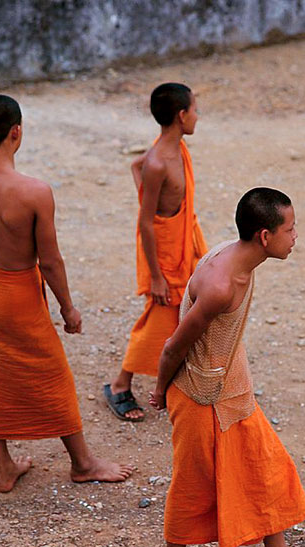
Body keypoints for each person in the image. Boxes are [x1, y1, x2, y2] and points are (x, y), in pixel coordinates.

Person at [0, 94, 135, 492]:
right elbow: (51, 261)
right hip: (21, 295)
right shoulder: (35, 192)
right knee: (52, 374)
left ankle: (4, 467)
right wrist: (68, 309)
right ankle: (82, 463)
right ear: (17, 132)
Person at [148, 188, 305, 547]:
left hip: (231, 387)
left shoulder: (238, 255)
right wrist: (161, 391)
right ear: (265, 237)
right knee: (192, 480)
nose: (296, 236)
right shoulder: (222, 284)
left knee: (264, 464)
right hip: (199, 394)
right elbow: (172, 347)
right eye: (290, 229)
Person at [103, 82, 208, 422]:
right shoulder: (160, 161)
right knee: (160, 317)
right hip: (164, 255)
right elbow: (146, 223)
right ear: (181, 115)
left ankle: (184, 376)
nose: (197, 116)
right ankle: (120, 384)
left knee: (191, 310)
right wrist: (158, 277)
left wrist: (142, 182)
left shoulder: (172, 149)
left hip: (185, 242)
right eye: (195, 109)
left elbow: (138, 166)